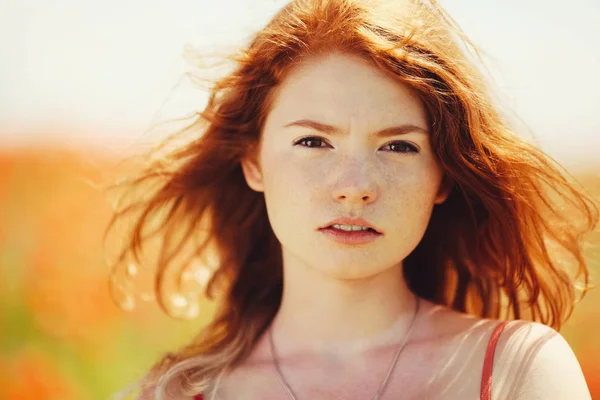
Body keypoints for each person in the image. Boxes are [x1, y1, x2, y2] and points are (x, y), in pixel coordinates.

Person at [105, 0, 598, 398]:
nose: (356, 185)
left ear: (443, 177)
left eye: (399, 146)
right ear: (253, 161)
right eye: (314, 142)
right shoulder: (181, 394)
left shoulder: (519, 371)